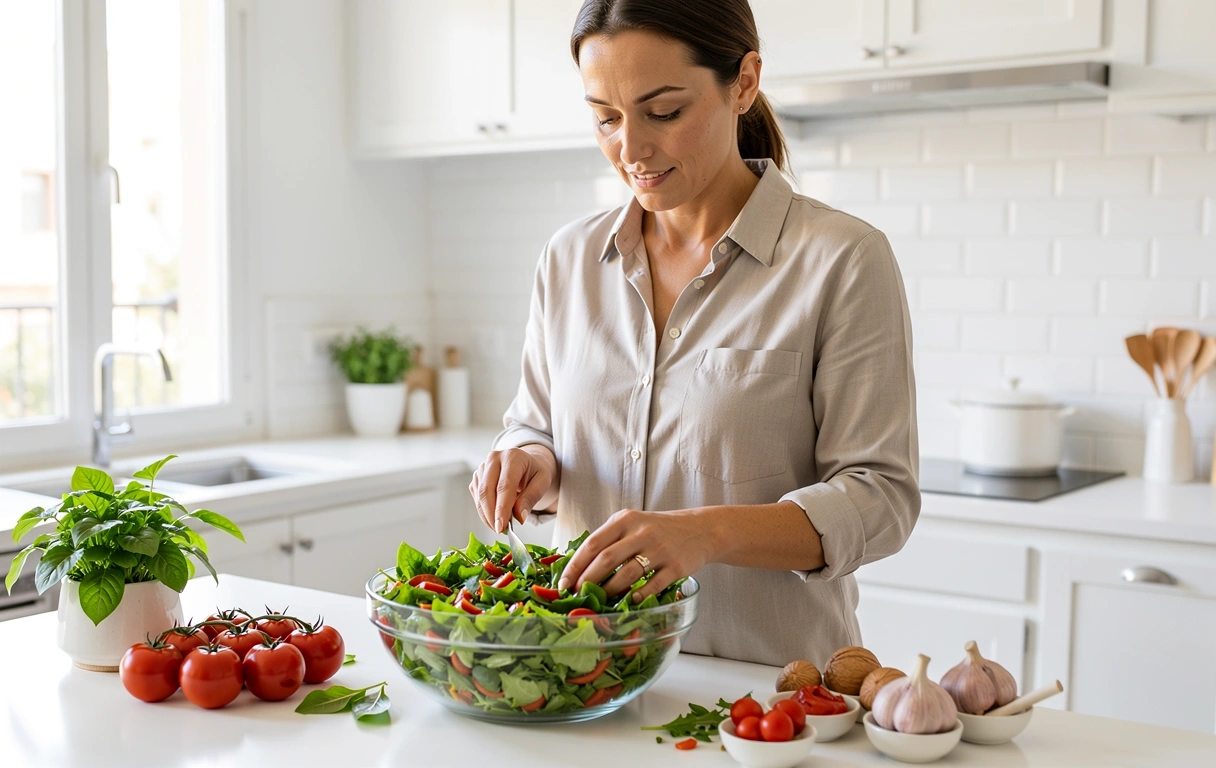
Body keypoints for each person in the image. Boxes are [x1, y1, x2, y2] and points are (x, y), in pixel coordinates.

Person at [468, 0, 919, 667]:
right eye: (605, 118)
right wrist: (528, 462)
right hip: (586, 679)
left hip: (770, 701)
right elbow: (534, 425)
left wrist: (707, 533)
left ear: (743, 82)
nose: (631, 149)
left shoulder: (842, 258)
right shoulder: (568, 261)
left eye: (664, 112)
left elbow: (881, 498)